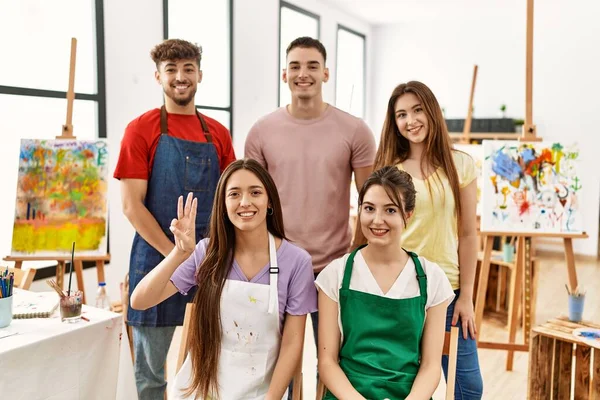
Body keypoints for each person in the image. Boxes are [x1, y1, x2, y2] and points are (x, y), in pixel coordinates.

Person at [130, 159, 317, 400]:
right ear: (223, 204)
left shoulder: (296, 261)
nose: (245, 202)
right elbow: (140, 301)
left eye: (255, 192)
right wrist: (179, 253)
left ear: (269, 201)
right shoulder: (207, 252)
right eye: (234, 194)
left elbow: (293, 344)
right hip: (201, 387)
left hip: (262, 391)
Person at [113, 38, 236, 399]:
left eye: (188, 69)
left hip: (211, 260)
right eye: (171, 70)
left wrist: (205, 256)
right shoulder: (141, 129)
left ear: (200, 74)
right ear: (158, 77)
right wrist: (177, 255)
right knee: (151, 370)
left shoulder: (218, 133)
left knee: (215, 359)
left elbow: (230, 201)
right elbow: (132, 206)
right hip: (156, 259)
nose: (180, 77)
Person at [244, 36, 376, 347]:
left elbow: (370, 202)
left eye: (312, 66)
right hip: (276, 264)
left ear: (326, 74)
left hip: (335, 266)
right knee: (272, 361)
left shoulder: (355, 130)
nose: (303, 73)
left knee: (336, 358)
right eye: (295, 66)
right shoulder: (261, 131)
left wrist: (355, 260)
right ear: (284, 74)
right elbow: (250, 205)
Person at [373, 81, 484, 398]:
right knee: (410, 385)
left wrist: (467, 297)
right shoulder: (389, 170)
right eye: (401, 114)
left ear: (432, 111)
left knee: (469, 387)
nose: (411, 121)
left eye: (417, 110)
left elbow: (467, 233)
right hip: (400, 292)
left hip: (449, 292)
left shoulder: (460, 164)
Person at [316, 166, 455, 399]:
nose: (377, 220)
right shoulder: (335, 275)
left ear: (407, 214)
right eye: (369, 208)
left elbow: (431, 367)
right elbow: (328, 363)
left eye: (390, 210)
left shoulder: (432, 278)